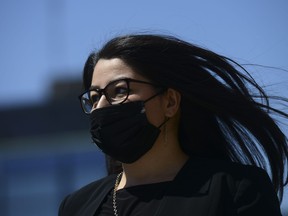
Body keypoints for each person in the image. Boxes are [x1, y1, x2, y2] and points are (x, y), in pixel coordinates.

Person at [58, 34, 288, 216]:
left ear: (170, 102)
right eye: (94, 97)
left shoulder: (236, 189)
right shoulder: (76, 206)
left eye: (119, 90)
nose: (100, 107)